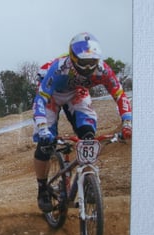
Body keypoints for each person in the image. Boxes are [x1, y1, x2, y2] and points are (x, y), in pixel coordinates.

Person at [32, 32, 132, 212]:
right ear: (73, 58)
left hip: (77, 91)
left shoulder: (103, 70)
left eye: (92, 62)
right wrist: (42, 128)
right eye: (84, 63)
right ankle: (42, 189)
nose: (88, 68)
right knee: (45, 143)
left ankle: (87, 180)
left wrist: (127, 122)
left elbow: (119, 94)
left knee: (88, 135)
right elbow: (41, 99)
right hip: (51, 94)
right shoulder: (59, 68)